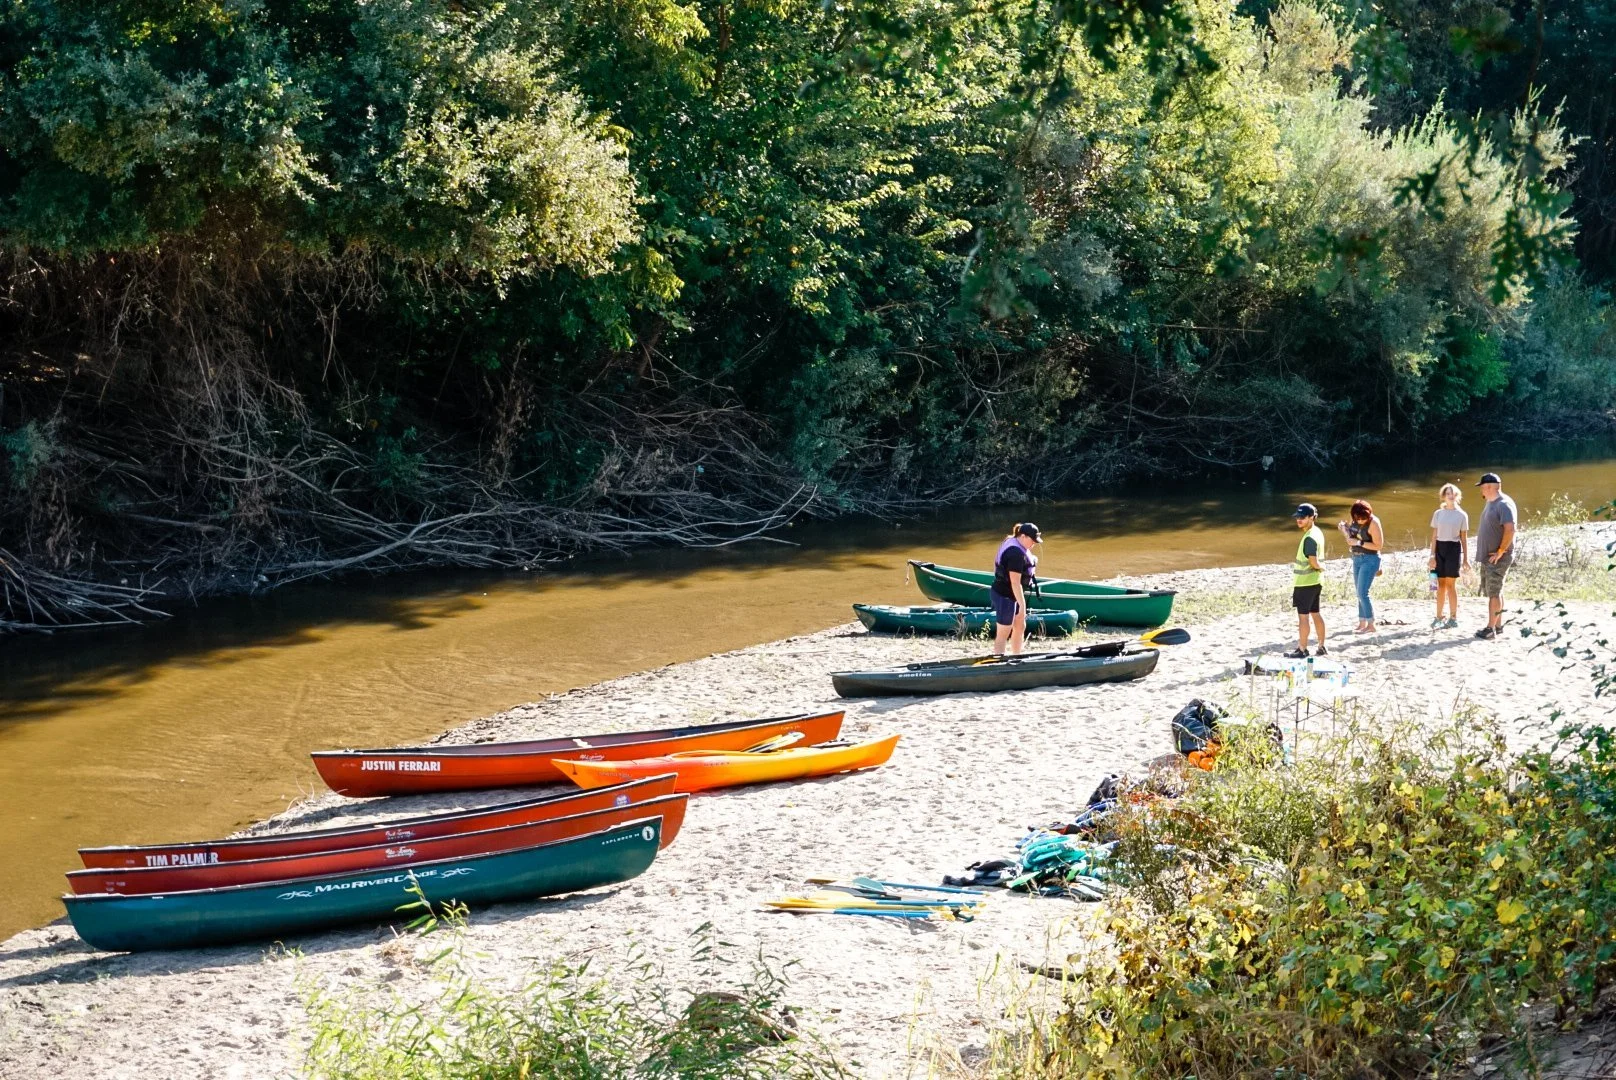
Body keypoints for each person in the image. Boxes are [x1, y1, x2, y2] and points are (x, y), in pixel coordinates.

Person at [1473, 472, 1517, 640]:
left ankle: (1490, 629)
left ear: (1490, 487)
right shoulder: (1491, 502)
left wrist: (1500, 551)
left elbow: (1510, 529)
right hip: (1489, 557)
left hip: (1497, 558)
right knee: (1496, 591)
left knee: (1494, 593)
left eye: (1482, 487)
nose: (1481, 490)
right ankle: (1498, 626)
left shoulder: (1503, 504)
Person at [990, 522, 1041, 656]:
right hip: (1004, 595)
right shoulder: (1015, 554)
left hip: (1013, 594)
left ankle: (1017, 656)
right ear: (1023, 536)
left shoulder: (1014, 541)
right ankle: (998, 660)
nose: (1034, 544)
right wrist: (1022, 605)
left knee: (1020, 625)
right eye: (1032, 540)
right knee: (1004, 632)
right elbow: (1015, 582)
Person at [1338, 499, 1385, 633]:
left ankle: (1371, 624)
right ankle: (1362, 622)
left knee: (1362, 592)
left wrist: (1359, 543)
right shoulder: (1354, 519)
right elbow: (1350, 539)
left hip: (1370, 559)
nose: (1360, 521)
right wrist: (1344, 529)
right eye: (1357, 519)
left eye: (1363, 518)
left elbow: (1378, 545)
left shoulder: (1374, 522)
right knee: (1358, 592)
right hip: (1356, 558)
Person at [1286, 503, 1327, 658]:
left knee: (1303, 617)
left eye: (1302, 517)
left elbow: (1313, 561)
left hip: (1305, 584)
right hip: (1316, 581)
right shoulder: (1317, 532)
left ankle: (1302, 649)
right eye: (1297, 517)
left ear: (1312, 518)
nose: (1299, 520)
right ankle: (1322, 646)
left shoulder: (1309, 538)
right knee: (1316, 613)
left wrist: (1321, 567)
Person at [1428, 483, 1469, 629]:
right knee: (1439, 585)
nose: (1450, 496)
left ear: (1457, 496)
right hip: (1439, 548)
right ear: (1444, 496)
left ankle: (1453, 617)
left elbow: (1464, 539)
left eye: (1453, 494)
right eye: (1447, 494)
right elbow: (1434, 537)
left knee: (1451, 585)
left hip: (1453, 549)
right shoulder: (1438, 513)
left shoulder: (1462, 515)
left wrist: (1465, 559)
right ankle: (1438, 617)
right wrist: (1432, 555)